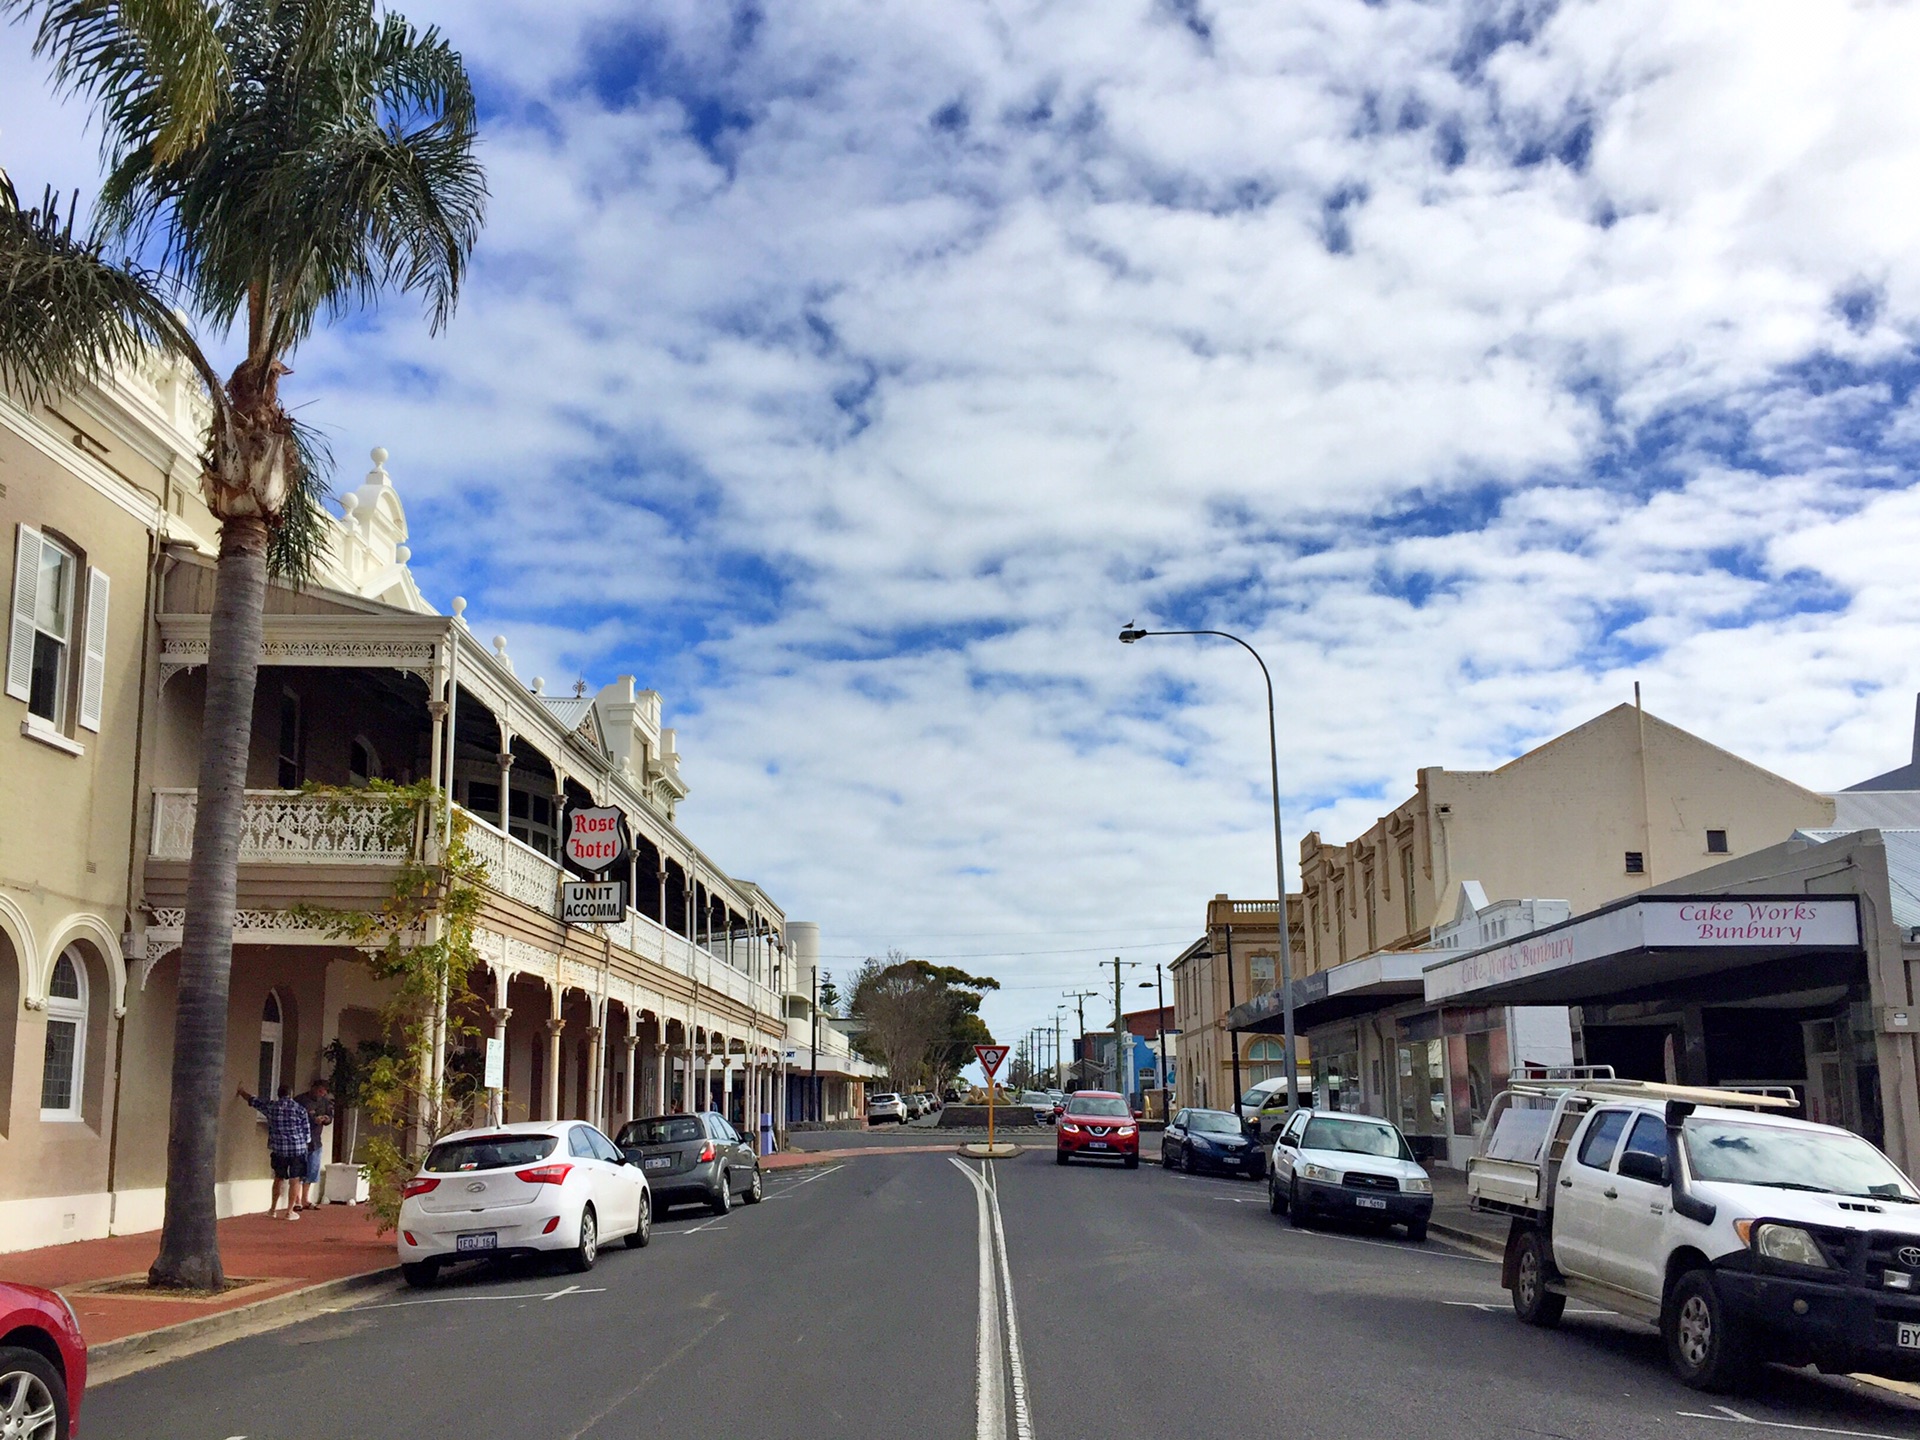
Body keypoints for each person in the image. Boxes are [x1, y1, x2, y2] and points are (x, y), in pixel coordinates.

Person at [238, 1083, 313, 1219]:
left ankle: (273, 1209)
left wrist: (242, 1091)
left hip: (279, 1149)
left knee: (278, 1178)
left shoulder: (272, 1107)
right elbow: (307, 1133)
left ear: (278, 1094)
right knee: (295, 1180)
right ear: (290, 1094)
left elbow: (254, 1101)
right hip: (297, 1149)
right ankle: (290, 1211)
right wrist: (304, 1143)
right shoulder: (300, 1109)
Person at [295, 1080, 334, 1211]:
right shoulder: (300, 1100)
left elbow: (330, 1117)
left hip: (316, 1140)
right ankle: (297, 1201)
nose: (321, 1094)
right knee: (299, 1170)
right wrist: (313, 1118)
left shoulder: (325, 1102)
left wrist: (325, 1119)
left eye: (324, 1092)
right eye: (319, 1091)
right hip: (301, 1140)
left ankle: (306, 1199)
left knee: (312, 1170)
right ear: (313, 1088)